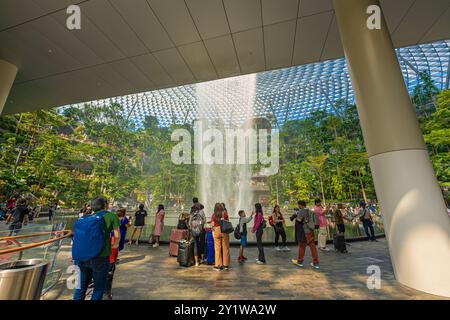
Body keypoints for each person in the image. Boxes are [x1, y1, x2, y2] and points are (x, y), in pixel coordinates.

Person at [73, 197, 120, 300]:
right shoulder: (111, 216)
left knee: (80, 288)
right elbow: (117, 236)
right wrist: (114, 245)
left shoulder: (85, 217)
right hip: (101, 257)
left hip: (81, 258)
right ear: (105, 205)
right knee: (98, 288)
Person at [291, 200, 320, 269]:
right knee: (313, 248)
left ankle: (300, 262)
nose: (298, 206)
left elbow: (299, 220)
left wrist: (295, 216)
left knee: (301, 247)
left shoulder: (301, 211)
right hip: (311, 231)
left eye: (298, 205)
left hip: (305, 232)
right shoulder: (309, 211)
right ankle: (316, 263)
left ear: (301, 205)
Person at [210, 203, 230, 271]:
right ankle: (226, 265)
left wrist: (213, 231)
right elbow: (227, 221)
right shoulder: (224, 213)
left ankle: (217, 265)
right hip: (224, 230)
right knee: (225, 248)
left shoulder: (214, 215)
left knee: (217, 249)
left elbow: (212, 225)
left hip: (217, 230)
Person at [189, 202, 206, 266]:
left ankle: (196, 262)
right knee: (202, 244)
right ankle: (202, 259)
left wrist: (192, 229)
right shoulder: (201, 212)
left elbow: (189, 224)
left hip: (193, 231)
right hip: (200, 230)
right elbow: (204, 220)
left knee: (195, 245)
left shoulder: (191, 213)